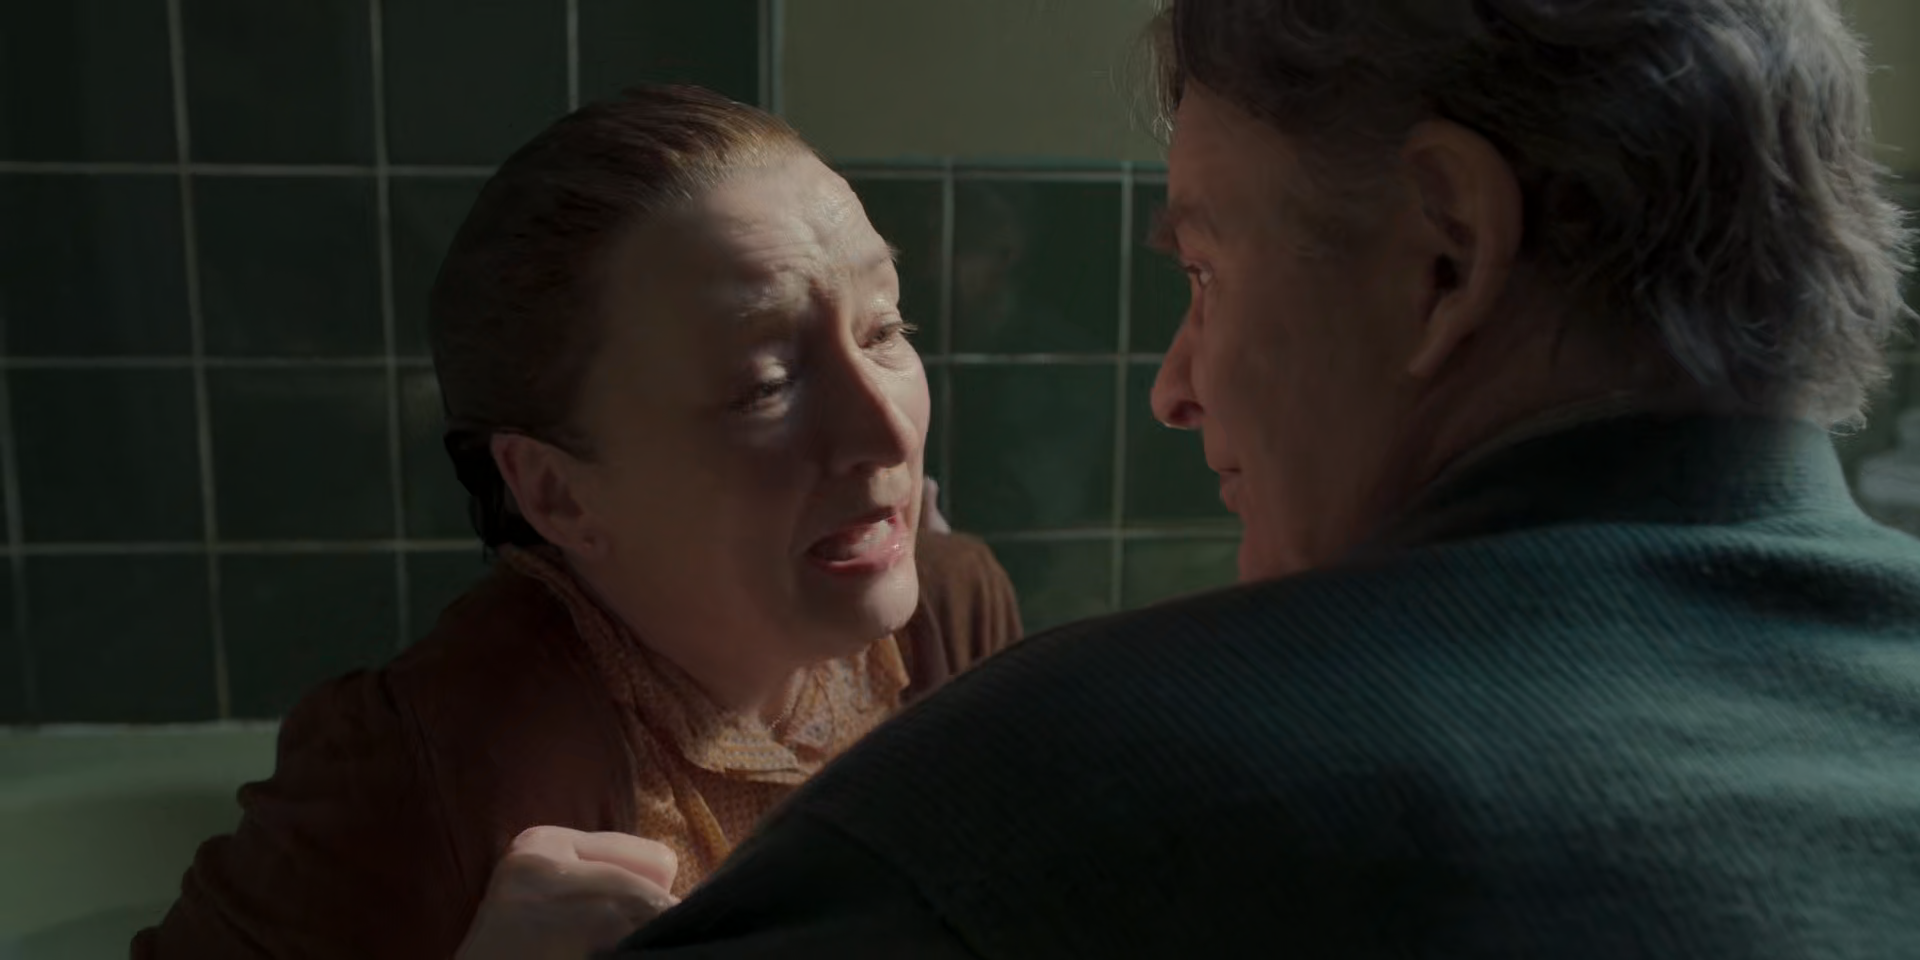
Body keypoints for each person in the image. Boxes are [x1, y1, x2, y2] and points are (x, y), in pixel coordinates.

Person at [459, 0, 1920, 956]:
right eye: (763, 376)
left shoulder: (1050, 803)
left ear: (1446, 253)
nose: (1175, 387)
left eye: (1207, 271)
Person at [133, 87, 1022, 959]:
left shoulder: (953, 616)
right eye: (766, 384)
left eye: (884, 329)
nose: (888, 431)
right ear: (558, 493)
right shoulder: (424, 765)